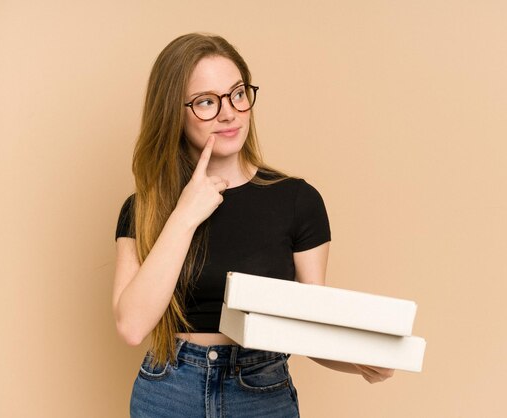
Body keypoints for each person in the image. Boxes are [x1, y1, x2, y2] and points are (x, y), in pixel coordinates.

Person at [113, 33, 394, 418]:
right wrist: (184, 215)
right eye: (207, 102)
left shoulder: (297, 200)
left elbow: (312, 328)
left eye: (238, 94)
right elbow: (132, 325)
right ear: (173, 112)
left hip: (260, 391)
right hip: (168, 393)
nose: (229, 113)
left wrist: (362, 362)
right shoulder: (144, 208)